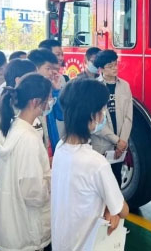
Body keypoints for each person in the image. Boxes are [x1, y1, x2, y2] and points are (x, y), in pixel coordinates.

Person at [52, 79, 129, 251]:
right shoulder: (96, 163)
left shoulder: (60, 147)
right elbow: (123, 210)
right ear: (94, 116)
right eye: (102, 110)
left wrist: (110, 208)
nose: (104, 115)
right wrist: (113, 209)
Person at [0, 73, 52, 251]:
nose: (50, 102)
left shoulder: (13, 125)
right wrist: (51, 186)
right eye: (48, 98)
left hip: (6, 225)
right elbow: (32, 192)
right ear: (36, 102)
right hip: (23, 231)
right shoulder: (28, 138)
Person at [0, 59, 37, 186]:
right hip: (6, 185)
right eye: (34, 78)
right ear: (18, 81)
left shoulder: (37, 110)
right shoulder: (1, 113)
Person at [92, 49, 133, 186]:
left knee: (116, 181)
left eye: (116, 64)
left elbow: (129, 116)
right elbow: (96, 122)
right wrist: (116, 140)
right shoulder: (94, 87)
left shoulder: (125, 86)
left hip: (120, 147)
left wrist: (122, 142)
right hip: (102, 145)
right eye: (110, 66)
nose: (115, 68)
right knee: (101, 184)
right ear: (101, 69)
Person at [28, 48, 62, 153]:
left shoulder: (50, 89)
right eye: (48, 68)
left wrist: (56, 91)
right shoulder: (27, 94)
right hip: (37, 148)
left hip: (51, 144)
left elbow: (61, 115)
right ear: (35, 69)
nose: (52, 73)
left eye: (53, 69)